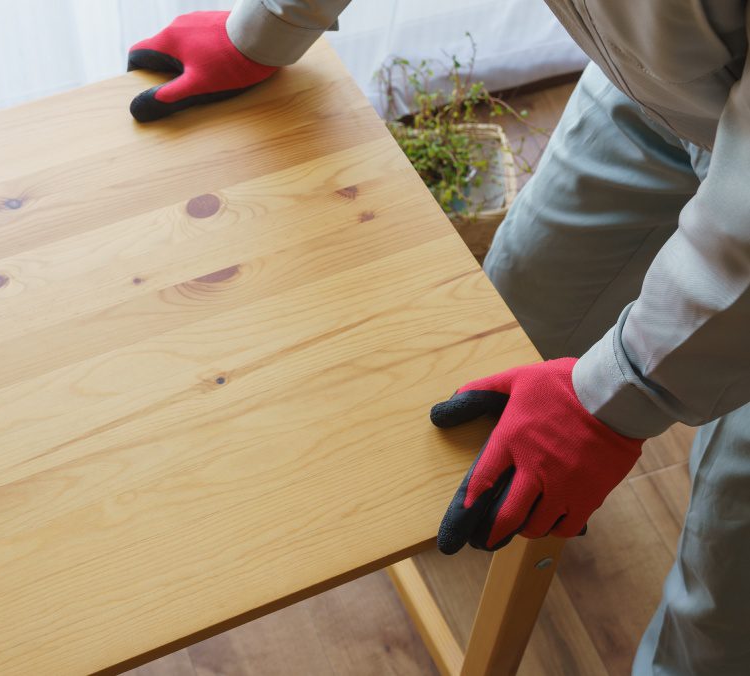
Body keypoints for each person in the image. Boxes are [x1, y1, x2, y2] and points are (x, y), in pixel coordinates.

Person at [126, 2, 750, 673]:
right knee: (508, 322)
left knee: (726, 565)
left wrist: (622, 392)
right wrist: (269, 26)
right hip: (660, 93)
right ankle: (499, 502)